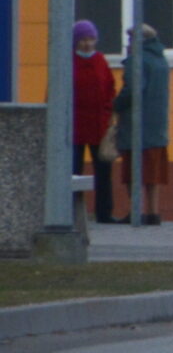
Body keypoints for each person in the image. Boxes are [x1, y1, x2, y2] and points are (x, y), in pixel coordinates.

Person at [112, 24, 170, 225]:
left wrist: (115, 105)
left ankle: (135, 211)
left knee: (132, 172)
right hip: (157, 125)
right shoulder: (160, 59)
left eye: (129, 40)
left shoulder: (136, 61)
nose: (127, 45)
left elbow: (133, 90)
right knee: (153, 173)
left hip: (137, 124)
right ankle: (153, 212)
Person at [70, 20, 116, 225]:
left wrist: (109, 114)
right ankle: (69, 214)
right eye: (82, 40)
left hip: (99, 126)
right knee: (72, 172)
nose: (87, 44)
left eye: (90, 39)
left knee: (104, 172)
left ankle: (104, 213)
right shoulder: (68, 62)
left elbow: (110, 89)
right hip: (74, 127)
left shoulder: (100, 61)